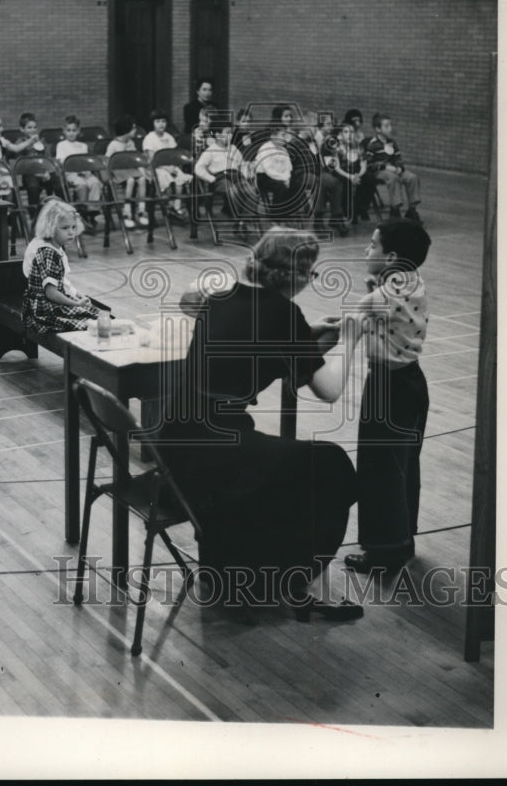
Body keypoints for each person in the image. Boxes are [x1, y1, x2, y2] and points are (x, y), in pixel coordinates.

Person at [156, 226, 365, 620]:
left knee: (289, 461)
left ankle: (245, 572)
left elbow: (257, 341)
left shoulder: (217, 299)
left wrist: (305, 337)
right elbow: (329, 390)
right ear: (298, 274)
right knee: (331, 465)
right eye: (311, 273)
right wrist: (351, 340)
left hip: (178, 446)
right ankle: (293, 581)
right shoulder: (284, 314)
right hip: (219, 455)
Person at [344, 218, 431, 574]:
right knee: (402, 466)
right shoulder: (411, 280)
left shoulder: (385, 295)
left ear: (392, 255)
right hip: (410, 382)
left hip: (389, 387)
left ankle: (384, 552)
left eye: (373, 245)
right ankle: (401, 539)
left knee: (380, 469)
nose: (367, 249)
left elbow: (354, 320)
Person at [22, 198, 100, 336]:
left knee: (99, 315)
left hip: (45, 305)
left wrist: (75, 295)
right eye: (65, 228)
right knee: (96, 322)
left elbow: (61, 281)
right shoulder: (48, 253)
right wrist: (75, 304)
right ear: (51, 228)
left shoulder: (53, 247)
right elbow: (51, 292)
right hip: (44, 311)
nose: (71, 233)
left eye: (73, 227)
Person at [364, 113, 422, 223]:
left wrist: (400, 167)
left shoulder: (392, 142)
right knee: (393, 178)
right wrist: (385, 166)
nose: (390, 128)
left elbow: (398, 157)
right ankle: (395, 210)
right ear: (378, 129)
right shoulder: (373, 145)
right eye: (386, 126)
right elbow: (369, 164)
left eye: (390, 125)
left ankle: (412, 210)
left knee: (412, 178)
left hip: (394, 169)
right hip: (380, 171)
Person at [142, 108, 192, 222]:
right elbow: (152, 159)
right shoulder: (149, 138)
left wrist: (173, 167)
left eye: (163, 121)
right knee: (167, 178)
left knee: (180, 178)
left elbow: (174, 155)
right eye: (158, 122)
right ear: (152, 123)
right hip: (156, 168)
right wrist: (167, 168)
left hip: (170, 166)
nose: (161, 124)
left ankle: (176, 207)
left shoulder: (169, 137)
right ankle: (168, 206)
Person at [55, 115, 103, 231]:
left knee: (95, 182)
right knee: (81, 184)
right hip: (71, 173)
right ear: (64, 131)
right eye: (69, 130)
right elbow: (63, 163)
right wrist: (78, 171)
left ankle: (91, 210)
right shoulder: (61, 145)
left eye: (74, 130)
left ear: (78, 131)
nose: (71, 133)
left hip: (85, 172)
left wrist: (87, 171)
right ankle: (82, 212)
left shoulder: (83, 146)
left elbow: (86, 162)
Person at [194, 118, 245, 220]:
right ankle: (239, 220)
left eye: (231, 133)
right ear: (217, 135)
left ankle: (239, 214)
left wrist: (245, 175)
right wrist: (210, 178)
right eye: (227, 133)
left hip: (236, 176)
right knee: (232, 190)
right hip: (220, 179)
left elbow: (242, 164)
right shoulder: (211, 151)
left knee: (249, 189)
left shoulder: (234, 148)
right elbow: (198, 168)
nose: (230, 135)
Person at [105, 115, 149, 229]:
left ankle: (141, 210)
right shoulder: (113, 144)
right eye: (133, 128)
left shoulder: (131, 143)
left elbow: (135, 159)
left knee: (142, 179)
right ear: (126, 130)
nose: (135, 130)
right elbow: (107, 161)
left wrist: (142, 171)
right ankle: (127, 213)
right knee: (130, 181)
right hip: (118, 171)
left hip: (130, 169)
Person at [13, 112, 57, 219]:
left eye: (35, 127)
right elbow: (20, 164)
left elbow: (48, 159)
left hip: (44, 173)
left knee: (56, 180)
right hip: (30, 175)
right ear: (22, 129)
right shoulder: (20, 143)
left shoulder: (42, 142)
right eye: (29, 127)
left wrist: (47, 172)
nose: (33, 130)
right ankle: (34, 215)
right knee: (33, 186)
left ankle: (55, 209)